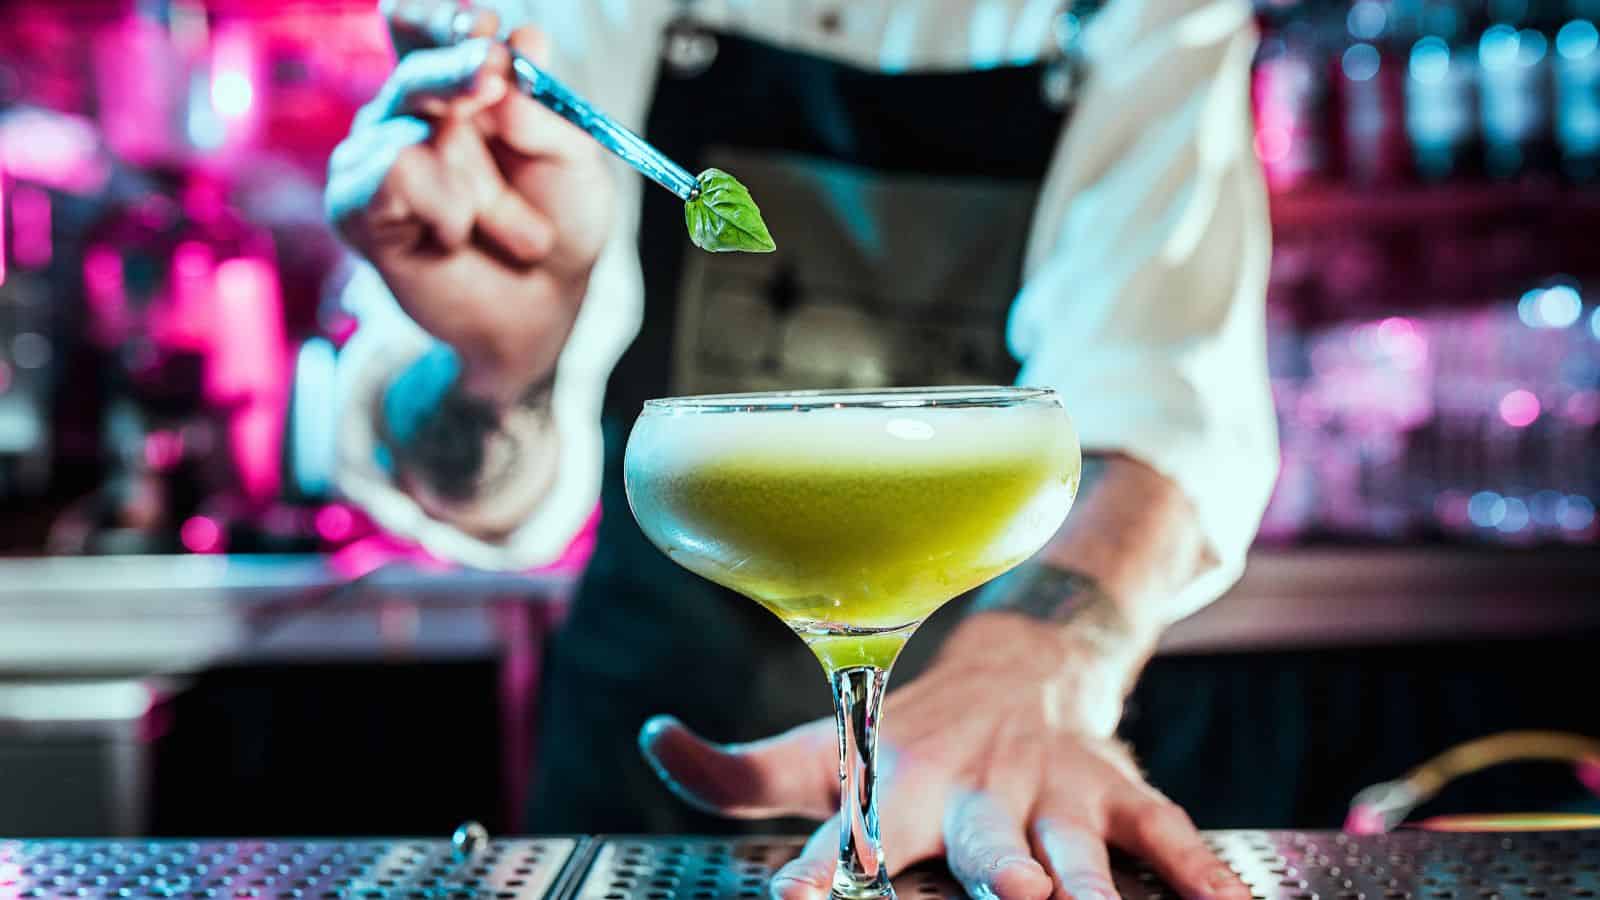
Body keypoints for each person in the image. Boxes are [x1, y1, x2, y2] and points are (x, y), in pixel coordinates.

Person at [325, 0, 1278, 897]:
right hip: (645, 778)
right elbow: (480, 489)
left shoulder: (1133, 13)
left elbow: (1154, 413)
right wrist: (496, 365)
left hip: (982, 787)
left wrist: (1032, 671)